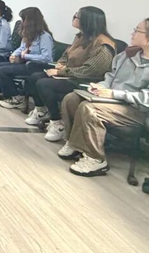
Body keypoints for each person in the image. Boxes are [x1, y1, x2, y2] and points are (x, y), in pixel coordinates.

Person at [57, 18, 149, 177]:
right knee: (72, 99)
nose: (132, 33)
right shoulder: (126, 55)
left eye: (137, 30)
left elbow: (146, 98)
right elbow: (110, 77)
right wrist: (101, 86)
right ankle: (75, 144)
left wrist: (114, 94)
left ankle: (96, 159)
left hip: (137, 110)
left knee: (90, 109)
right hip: (112, 101)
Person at [25, 7, 116, 142]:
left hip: (86, 81)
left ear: (87, 21)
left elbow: (90, 70)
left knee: (44, 84)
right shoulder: (81, 37)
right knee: (35, 77)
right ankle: (41, 111)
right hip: (71, 74)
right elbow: (66, 55)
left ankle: (57, 122)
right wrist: (60, 64)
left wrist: (61, 71)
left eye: (77, 16)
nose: (74, 18)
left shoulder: (104, 44)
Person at [0, 7, 54, 109]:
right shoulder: (28, 34)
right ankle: (1, 92)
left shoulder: (44, 36)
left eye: (23, 20)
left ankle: (16, 98)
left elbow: (46, 58)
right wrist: (14, 55)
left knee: (4, 71)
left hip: (36, 66)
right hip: (25, 62)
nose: (22, 23)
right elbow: (22, 48)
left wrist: (25, 56)